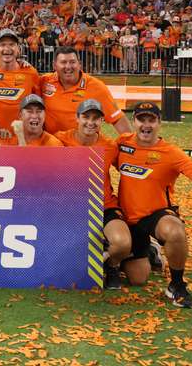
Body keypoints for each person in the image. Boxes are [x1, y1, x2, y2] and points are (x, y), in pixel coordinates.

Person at [114, 102, 192, 308]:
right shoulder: (123, 144)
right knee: (138, 278)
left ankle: (177, 286)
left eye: (151, 120)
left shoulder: (170, 153)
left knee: (175, 231)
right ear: (133, 122)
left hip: (155, 214)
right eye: (141, 119)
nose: (146, 125)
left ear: (159, 123)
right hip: (128, 218)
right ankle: (151, 251)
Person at [54, 99, 130, 289]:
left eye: (96, 118)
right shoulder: (59, 139)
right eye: (86, 116)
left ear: (102, 122)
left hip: (104, 206)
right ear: (77, 118)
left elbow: (130, 167)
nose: (90, 122)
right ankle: (93, 256)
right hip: (72, 209)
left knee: (122, 244)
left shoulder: (110, 146)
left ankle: (112, 265)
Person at [40, 47, 132, 135]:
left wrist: (130, 146)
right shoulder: (44, 81)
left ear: (79, 64)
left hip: (83, 147)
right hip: (51, 147)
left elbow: (117, 118)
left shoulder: (96, 87)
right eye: (63, 62)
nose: (68, 66)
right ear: (54, 65)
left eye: (72, 62)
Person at [0, 29, 40, 130]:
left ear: (18, 49)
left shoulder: (30, 72)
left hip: (22, 136)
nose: (7, 49)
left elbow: (39, 106)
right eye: (2, 45)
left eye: (11, 44)